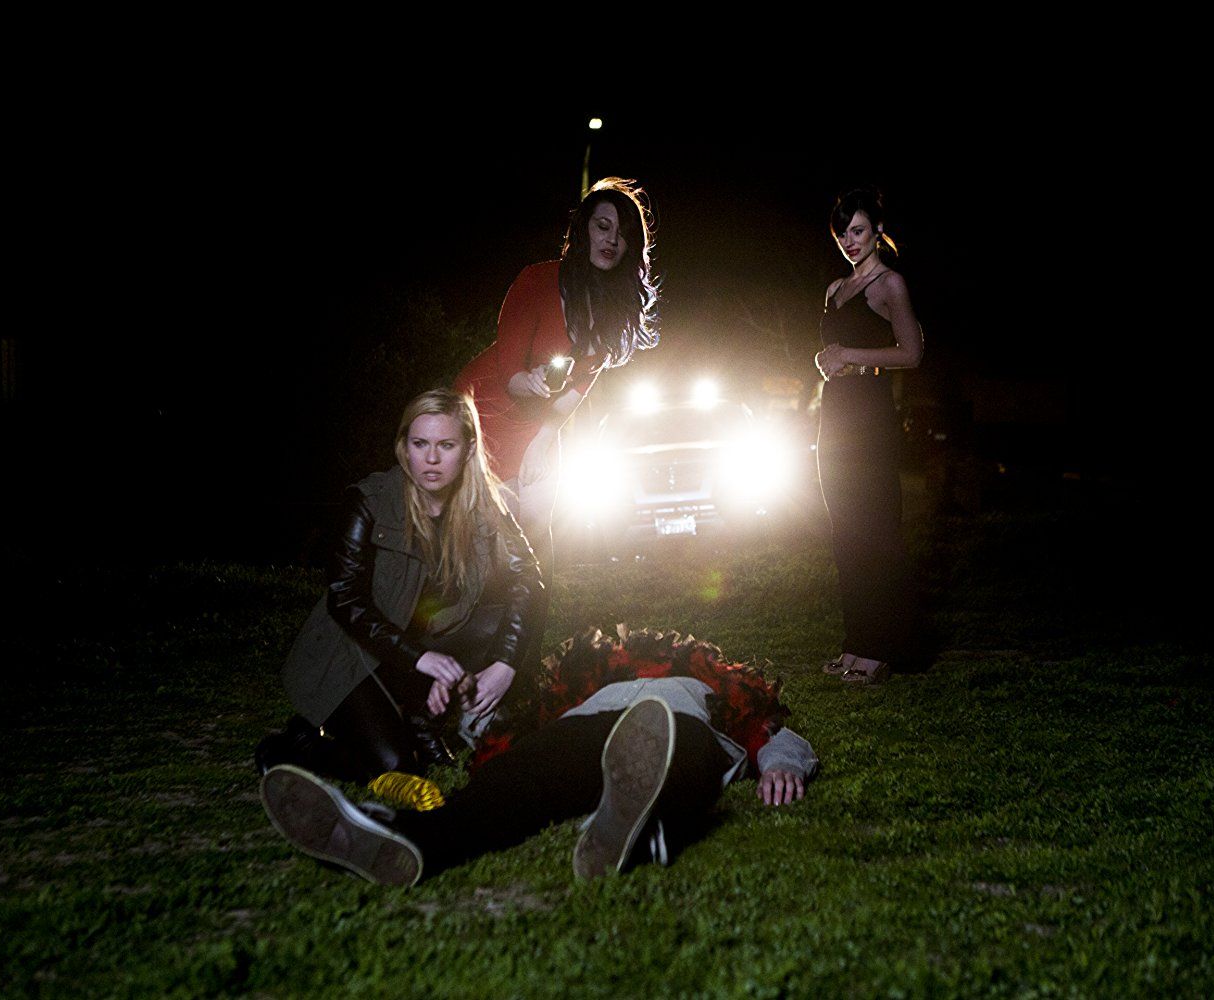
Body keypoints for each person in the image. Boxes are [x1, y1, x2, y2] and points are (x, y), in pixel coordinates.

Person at [258, 628, 817, 885]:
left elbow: (775, 732)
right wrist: (468, 708)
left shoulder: (711, 694)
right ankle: (406, 839)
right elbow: (503, 728)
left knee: (677, 755)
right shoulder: (580, 695)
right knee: (517, 780)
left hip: (677, 727)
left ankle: (639, 829)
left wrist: (783, 765)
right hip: (581, 733)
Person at [255, 388, 546, 783]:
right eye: (420, 443)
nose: (431, 458)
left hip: (418, 644)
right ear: (403, 447)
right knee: (397, 768)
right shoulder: (371, 501)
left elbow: (527, 576)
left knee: (505, 618)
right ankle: (300, 745)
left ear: (467, 449)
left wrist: (505, 663)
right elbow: (345, 599)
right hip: (350, 654)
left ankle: (424, 718)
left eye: (446, 445)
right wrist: (420, 660)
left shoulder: (483, 504)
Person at [453, 177, 660, 576]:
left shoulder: (613, 309)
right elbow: (510, 370)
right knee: (483, 536)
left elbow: (581, 384)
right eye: (603, 226)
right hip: (481, 410)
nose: (611, 240)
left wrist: (544, 439)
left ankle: (528, 612)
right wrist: (526, 381)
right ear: (584, 229)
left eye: (622, 234)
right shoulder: (537, 280)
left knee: (535, 525)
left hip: (538, 421)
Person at [813, 188, 925, 685]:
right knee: (845, 531)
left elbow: (912, 353)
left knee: (877, 528)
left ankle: (885, 648)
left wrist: (850, 356)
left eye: (857, 230)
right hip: (835, 410)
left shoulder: (889, 284)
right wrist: (827, 360)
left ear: (878, 230)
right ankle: (856, 643)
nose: (849, 241)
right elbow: (836, 349)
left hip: (870, 413)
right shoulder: (835, 289)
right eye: (842, 233)